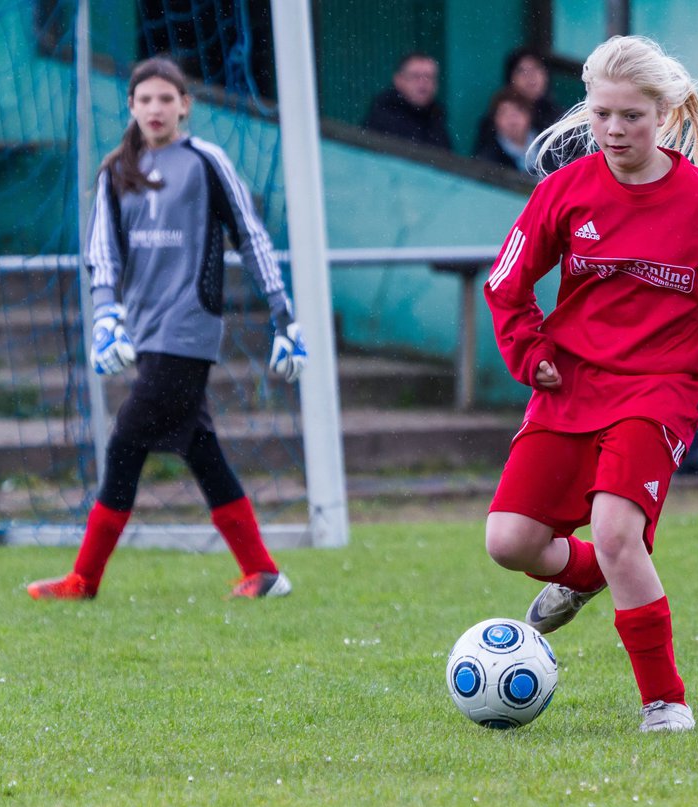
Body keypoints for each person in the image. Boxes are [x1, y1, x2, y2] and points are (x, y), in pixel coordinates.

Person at [482, 35, 698, 732]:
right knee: (509, 542)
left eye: (631, 116)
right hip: (570, 384)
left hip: (660, 389)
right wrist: (527, 347)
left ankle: (664, 700)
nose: (615, 130)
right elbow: (506, 283)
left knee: (618, 531)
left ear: (664, 115)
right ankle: (591, 572)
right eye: (602, 115)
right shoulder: (564, 191)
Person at [27, 57, 307, 601]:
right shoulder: (115, 171)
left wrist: (283, 315)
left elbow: (251, 237)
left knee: (126, 441)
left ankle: (84, 580)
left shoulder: (207, 161)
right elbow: (102, 254)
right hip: (145, 333)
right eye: (144, 99)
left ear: (185, 105)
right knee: (201, 448)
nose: (155, 108)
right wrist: (106, 313)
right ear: (130, 107)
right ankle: (264, 572)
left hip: (190, 329)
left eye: (165, 98)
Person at [474, 47, 564, 158]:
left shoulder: (560, 119)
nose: (530, 77)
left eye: (536, 68)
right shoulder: (491, 126)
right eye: (521, 70)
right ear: (510, 78)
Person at [362, 52, 452, 150]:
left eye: (429, 77)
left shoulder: (436, 120)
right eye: (415, 76)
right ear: (398, 80)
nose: (423, 82)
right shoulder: (382, 118)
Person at [472, 88, 536, 173]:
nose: (512, 119)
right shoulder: (488, 160)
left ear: (529, 116)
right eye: (504, 113)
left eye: (518, 111)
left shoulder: (550, 148)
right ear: (495, 120)